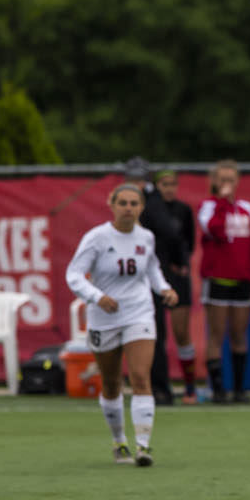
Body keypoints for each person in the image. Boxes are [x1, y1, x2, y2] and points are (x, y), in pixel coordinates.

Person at [66, 182, 178, 466]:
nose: (128, 208)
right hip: (104, 318)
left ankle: (143, 446)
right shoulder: (97, 238)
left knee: (141, 377)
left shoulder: (146, 237)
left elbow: (152, 269)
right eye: (123, 203)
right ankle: (119, 442)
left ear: (141, 207)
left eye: (134, 203)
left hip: (138, 313)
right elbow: (74, 275)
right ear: (111, 205)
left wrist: (164, 288)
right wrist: (97, 296)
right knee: (112, 382)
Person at [196, 159, 250, 403]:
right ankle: (218, 389)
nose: (227, 184)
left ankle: (239, 389)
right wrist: (222, 202)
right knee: (216, 335)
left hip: (243, 280)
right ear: (214, 181)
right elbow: (216, 231)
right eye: (222, 180)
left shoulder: (247, 208)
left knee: (239, 334)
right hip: (217, 280)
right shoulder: (208, 206)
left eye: (231, 180)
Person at [126, 157, 186, 407]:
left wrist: (173, 260)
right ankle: (146, 385)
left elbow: (172, 231)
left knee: (153, 333)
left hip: (151, 275)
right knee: (138, 334)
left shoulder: (152, 204)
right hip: (131, 278)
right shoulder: (132, 202)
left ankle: (159, 387)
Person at [156, 170, 200, 401]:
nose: (169, 188)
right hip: (155, 276)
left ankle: (190, 385)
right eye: (165, 184)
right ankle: (158, 385)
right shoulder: (151, 210)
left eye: (173, 184)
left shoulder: (183, 210)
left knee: (182, 332)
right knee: (155, 332)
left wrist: (180, 263)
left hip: (177, 277)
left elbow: (189, 243)